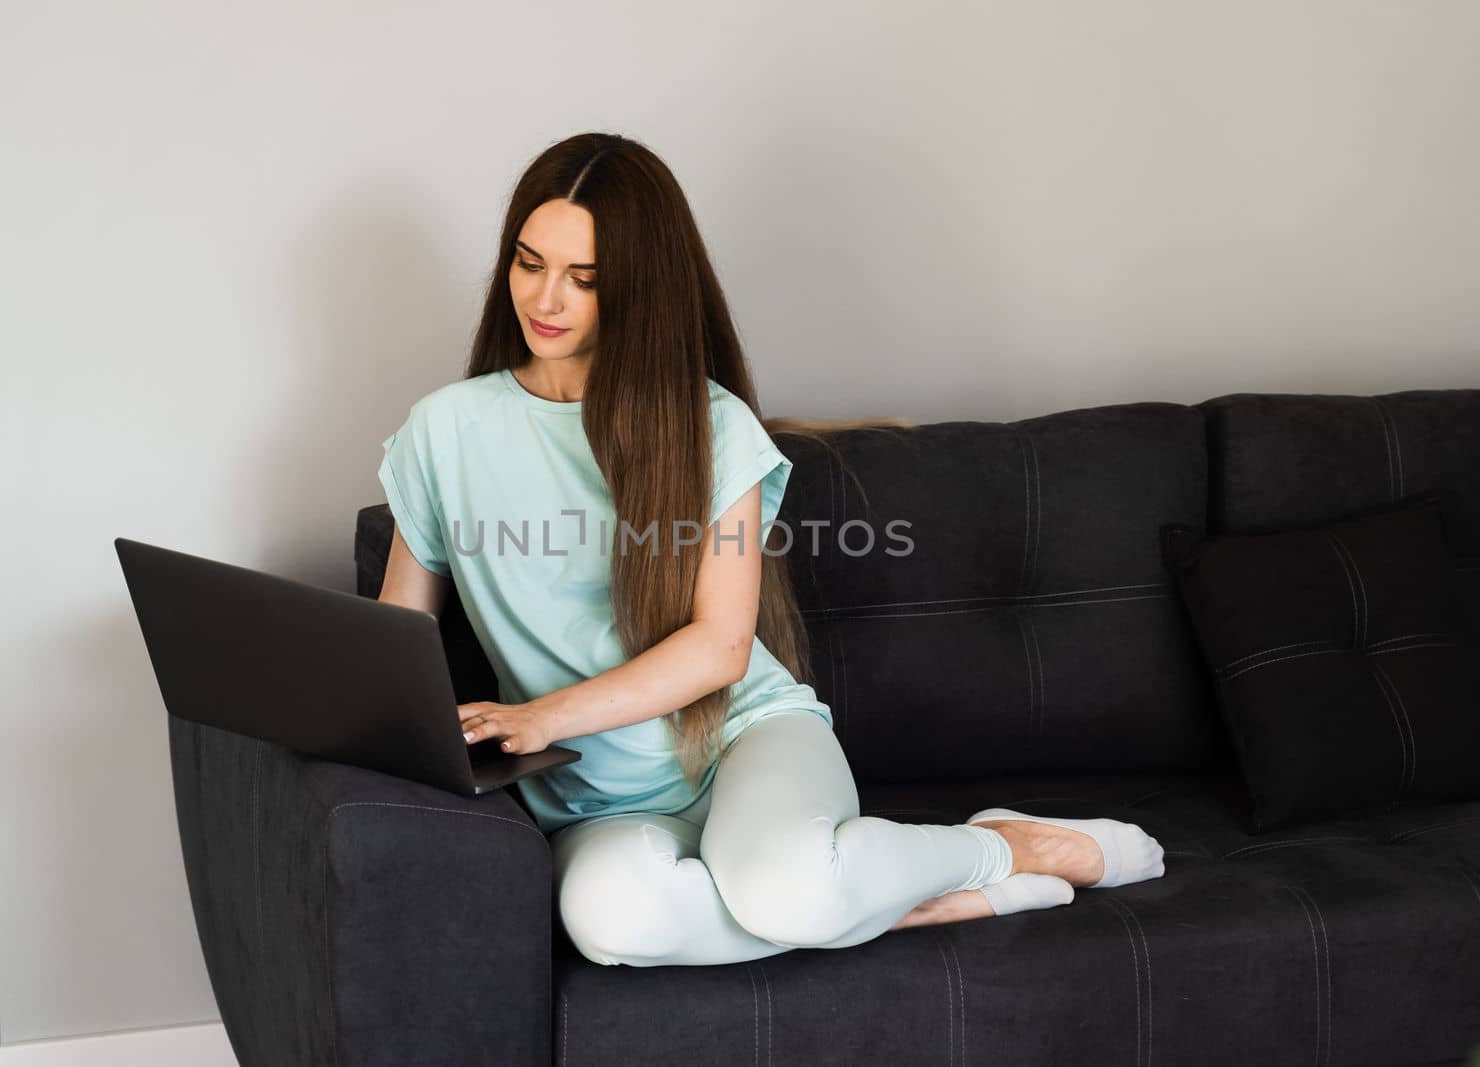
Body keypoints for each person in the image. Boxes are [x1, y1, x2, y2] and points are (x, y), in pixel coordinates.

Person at [375, 132, 1165, 967]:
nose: (548, 298)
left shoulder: (708, 425)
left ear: (638, 289)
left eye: (585, 278)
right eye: (530, 263)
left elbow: (719, 647)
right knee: (614, 921)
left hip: (743, 741)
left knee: (788, 888)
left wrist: (539, 717)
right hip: (593, 802)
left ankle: (1002, 847)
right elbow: (398, 640)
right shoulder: (443, 432)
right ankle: (892, 903)